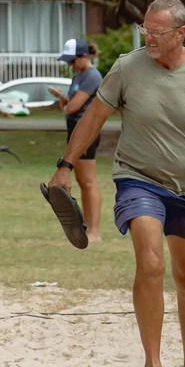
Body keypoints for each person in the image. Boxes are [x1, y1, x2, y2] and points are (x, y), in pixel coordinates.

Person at [49, 0, 185, 367]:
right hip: (138, 178)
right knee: (151, 262)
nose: (149, 37)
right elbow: (94, 118)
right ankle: (152, 364)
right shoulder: (127, 67)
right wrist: (65, 165)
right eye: (146, 29)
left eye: (157, 32)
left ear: (180, 32)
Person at [50, 37, 103, 243]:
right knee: (82, 181)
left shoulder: (92, 76)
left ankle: (95, 230)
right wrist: (63, 99)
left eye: (72, 61)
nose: (70, 65)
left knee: (88, 181)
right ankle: (87, 226)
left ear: (84, 56)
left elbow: (73, 108)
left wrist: (67, 105)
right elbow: (70, 104)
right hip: (74, 129)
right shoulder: (78, 76)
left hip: (86, 131)